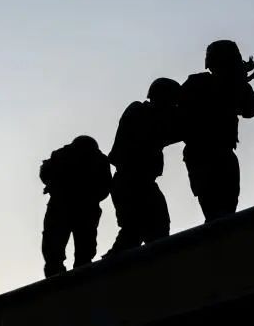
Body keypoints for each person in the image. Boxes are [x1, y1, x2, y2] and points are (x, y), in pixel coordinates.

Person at [179, 40, 254, 222]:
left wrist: (239, 83)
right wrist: (235, 84)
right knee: (215, 212)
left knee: (227, 210)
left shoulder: (233, 84)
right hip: (201, 153)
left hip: (223, 152)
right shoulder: (197, 83)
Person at [106, 78, 181, 255]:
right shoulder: (139, 111)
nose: (173, 106)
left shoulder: (151, 115)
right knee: (133, 230)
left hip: (140, 183)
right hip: (130, 182)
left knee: (157, 229)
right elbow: (162, 132)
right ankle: (111, 266)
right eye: (172, 101)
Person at [40, 135, 111, 277]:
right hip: (77, 208)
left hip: (67, 207)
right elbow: (105, 188)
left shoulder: (63, 154)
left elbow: (45, 173)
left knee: (62, 252)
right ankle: (70, 276)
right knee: (77, 253)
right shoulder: (97, 159)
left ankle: (62, 276)